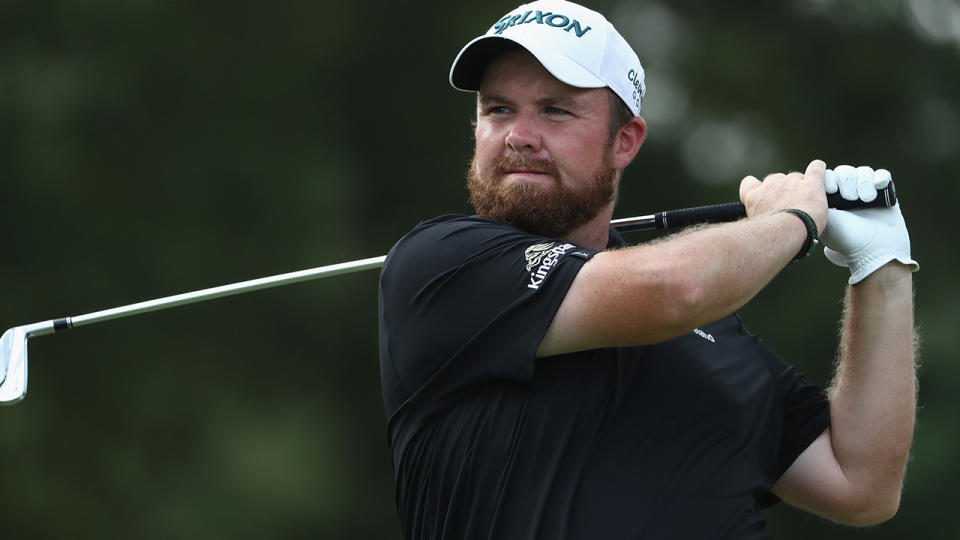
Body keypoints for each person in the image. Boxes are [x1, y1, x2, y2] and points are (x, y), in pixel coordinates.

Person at [377, 1, 919, 538]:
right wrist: (793, 219)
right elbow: (671, 290)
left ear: (625, 142)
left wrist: (883, 269)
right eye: (498, 110)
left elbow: (862, 484)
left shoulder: (717, 337)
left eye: (554, 110)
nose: (519, 134)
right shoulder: (441, 264)